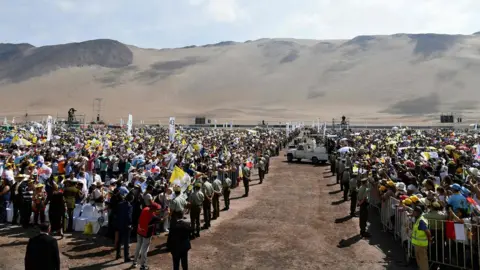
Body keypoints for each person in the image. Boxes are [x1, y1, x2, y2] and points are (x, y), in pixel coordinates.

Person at [134, 203, 162, 270]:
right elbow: (161, 219)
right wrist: (167, 214)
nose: (157, 210)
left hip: (139, 230)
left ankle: (134, 262)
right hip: (146, 233)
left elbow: (152, 213)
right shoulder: (153, 217)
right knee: (144, 249)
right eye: (156, 209)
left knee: (138, 246)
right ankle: (143, 265)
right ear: (154, 209)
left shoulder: (145, 209)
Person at [410, 206, 431, 270]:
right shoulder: (418, 219)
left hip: (421, 245)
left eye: (414, 211)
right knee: (420, 261)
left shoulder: (421, 221)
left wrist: (430, 239)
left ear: (418, 212)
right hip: (418, 244)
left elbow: (427, 231)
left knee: (423, 262)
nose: (413, 212)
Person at [116, 191, 133, 262]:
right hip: (126, 225)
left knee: (119, 240)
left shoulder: (120, 204)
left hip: (119, 224)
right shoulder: (129, 206)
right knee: (126, 242)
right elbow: (129, 216)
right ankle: (126, 257)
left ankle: (118, 254)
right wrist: (130, 224)